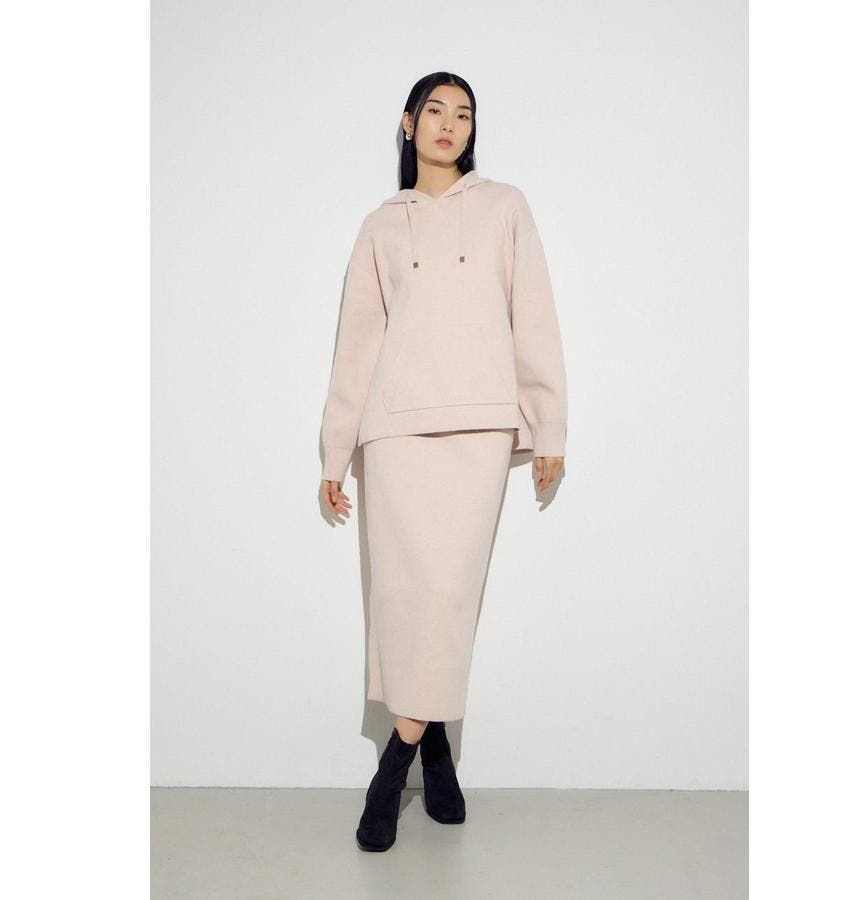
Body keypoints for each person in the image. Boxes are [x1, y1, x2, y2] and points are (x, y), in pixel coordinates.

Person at [318, 72, 568, 852]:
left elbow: (534, 316)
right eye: (435, 110)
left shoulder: (504, 208)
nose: (449, 124)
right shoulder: (380, 225)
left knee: (450, 595)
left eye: (464, 114)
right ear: (408, 123)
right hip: (394, 431)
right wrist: (335, 450)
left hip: (479, 428)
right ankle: (435, 755)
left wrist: (549, 428)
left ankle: (395, 761)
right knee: (402, 595)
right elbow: (356, 345)